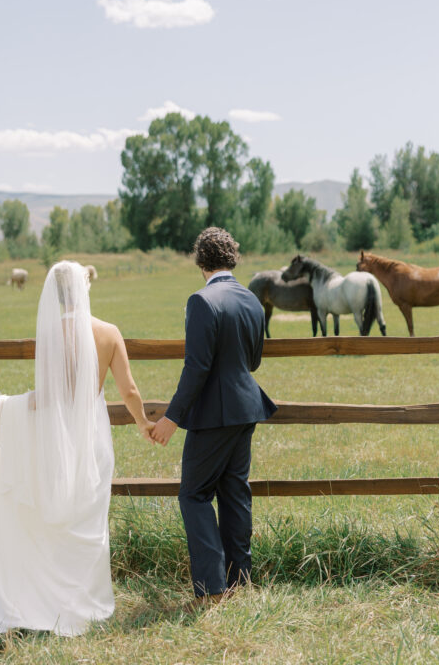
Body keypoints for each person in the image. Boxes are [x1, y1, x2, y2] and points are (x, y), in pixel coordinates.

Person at [0, 260, 154, 637]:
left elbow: (48, 397)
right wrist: (143, 423)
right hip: (91, 434)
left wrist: (3, 406)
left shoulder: (51, 333)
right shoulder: (109, 333)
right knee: (87, 517)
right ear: (86, 288)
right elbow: (129, 391)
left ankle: (47, 599)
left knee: (53, 515)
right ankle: (82, 603)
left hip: (55, 435)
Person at [151, 227, 277, 603]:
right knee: (235, 494)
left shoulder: (202, 301)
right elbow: (254, 360)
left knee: (194, 494)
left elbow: (197, 368)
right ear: (232, 259)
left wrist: (171, 418)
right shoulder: (252, 301)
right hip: (246, 409)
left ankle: (211, 589)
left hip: (213, 416)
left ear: (200, 261)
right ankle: (240, 582)